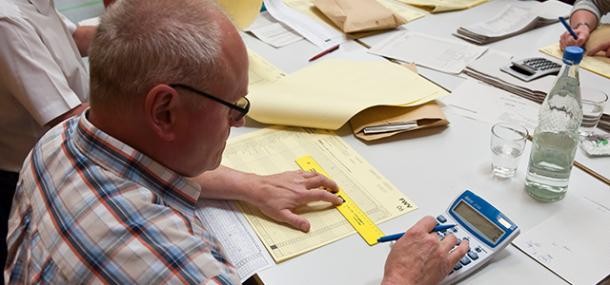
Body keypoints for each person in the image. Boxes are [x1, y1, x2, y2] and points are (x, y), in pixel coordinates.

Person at [5, 0, 468, 283]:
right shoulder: (176, 268)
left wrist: (251, 185)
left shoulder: (59, 141)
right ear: (164, 111)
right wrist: (402, 280)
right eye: (233, 107)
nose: (239, 124)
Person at [0, 0, 96, 282]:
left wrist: (142, 33)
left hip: (66, 152)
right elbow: (70, 119)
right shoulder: (7, 21)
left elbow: (74, 37)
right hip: (28, 177)